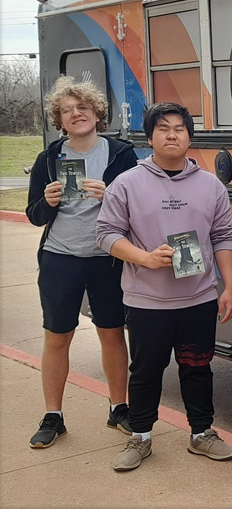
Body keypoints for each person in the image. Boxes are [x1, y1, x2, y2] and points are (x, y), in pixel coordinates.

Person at [96, 103, 232, 471]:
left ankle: (202, 434)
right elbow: (106, 234)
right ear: (150, 137)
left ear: (190, 137)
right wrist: (143, 258)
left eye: (179, 128)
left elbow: (223, 236)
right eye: (163, 128)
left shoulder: (210, 185)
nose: (172, 134)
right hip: (147, 301)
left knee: (198, 367)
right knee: (145, 371)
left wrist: (229, 287)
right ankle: (140, 437)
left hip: (199, 298)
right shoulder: (127, 183)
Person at [25, 76, 139, 448]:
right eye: (68, 111)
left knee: (111, 333)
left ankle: (118, 408)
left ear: (97, 113)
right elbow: (35, 216)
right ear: (59, 119)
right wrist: (49, 202)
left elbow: (138, 211)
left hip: (107, 258)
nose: (77, 114)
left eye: (83, 108)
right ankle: (53, 415)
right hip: (61, 258)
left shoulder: (121, 154)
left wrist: (112, 195)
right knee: (58, 337)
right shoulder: (49, 158)